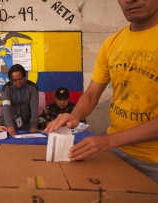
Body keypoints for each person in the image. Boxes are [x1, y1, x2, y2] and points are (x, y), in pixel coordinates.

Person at [45, 0, 158, 183]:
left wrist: (109, 141)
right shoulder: (112, 43)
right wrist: (74, 116)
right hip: (117, 154)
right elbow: (91, 95)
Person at [1, 64, 39, 136]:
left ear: (25, 76)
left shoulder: (33, 87)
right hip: (9, 124)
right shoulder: (6, 88)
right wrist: (9, 125)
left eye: (20, 79)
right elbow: (6, 107)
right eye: (14, 80)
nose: (18, 82)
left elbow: (34, 108)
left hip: (26, 125)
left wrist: (34, 125)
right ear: (11, 80)